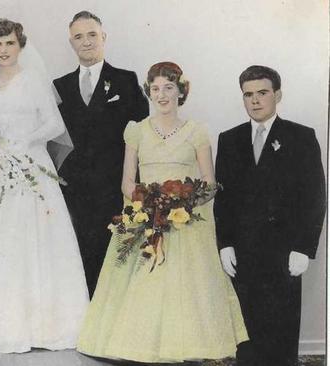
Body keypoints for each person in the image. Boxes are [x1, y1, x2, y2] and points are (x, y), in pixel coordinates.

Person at [78, 62, 248, 363]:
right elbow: (127, 182)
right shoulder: (137, 131)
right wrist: (151, 201)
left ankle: (184, 347)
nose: (162, 94)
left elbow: (210, 183)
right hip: (145, 217)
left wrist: (182, 203)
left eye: (169, 87)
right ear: (148, 92)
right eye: (155, 88)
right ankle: (140, 347)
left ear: (180, 91)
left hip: (186, 222)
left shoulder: (196, 131)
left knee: (184, 287)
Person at [0, 18, 89, 354]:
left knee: (31, 239)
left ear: (20, 46)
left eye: (10, 43)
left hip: (28, 167)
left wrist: (20, 142)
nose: (3, 51)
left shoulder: (33, 82)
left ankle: (39, 327)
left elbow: (54, 124)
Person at [214, 65, 325, 366]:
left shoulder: (301, 137)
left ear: (277, 94)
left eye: (262, 92)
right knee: (246, 336)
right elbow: (222, 200)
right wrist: (224, 244)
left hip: (284, 252)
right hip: (243, 252)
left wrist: (304, 248)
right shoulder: (229, 139)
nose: (255, 100)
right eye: (248, 95)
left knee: (281, 334)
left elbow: (315, 197)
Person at [53, 11, 149, 297]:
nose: (86, 42)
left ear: (103, 37)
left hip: (113, 186)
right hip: (74, 189)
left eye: (92, 35)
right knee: (79, 256)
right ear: (71, 43)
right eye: (79, 37)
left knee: (116, 256)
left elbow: (141, 136)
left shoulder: (126, 80)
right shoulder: (60, 86)